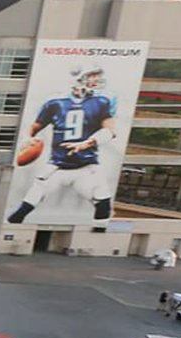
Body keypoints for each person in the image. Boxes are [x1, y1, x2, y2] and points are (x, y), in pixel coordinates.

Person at [6, 62, 121, 225]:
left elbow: (111, 130)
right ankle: (6, 232)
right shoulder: (55, 102)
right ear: (78, 78)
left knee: (103, 205)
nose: (96, 79)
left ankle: (97, 239)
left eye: (97, 75)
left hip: (86, 165)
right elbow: (33, 127)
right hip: (57, 165)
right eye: (92, 75)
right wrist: (27, 138)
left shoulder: (101, 101)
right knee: (24, 207)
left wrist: (88, 143)